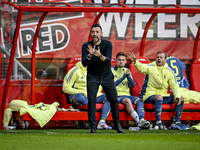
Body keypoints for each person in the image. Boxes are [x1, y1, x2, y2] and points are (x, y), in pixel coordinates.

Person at [82, 24, 124, 133]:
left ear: (101, 34)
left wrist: (99, 55)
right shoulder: (86, 45)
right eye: (93, 32)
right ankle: (92, 126)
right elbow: (84, 64)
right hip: (93, 76)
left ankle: (117, 124)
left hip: (106, 75)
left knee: (114, 99)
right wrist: (90, 55)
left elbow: (108, 60)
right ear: (90, 34)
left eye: (97, 32)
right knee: (91, 100)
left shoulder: (107, 44)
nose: (95, 34)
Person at [128, 51, 184, 129]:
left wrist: (177, 96)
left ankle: (177, 122)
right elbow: (142, 68)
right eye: (157, 57)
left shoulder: (169, 71)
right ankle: (158, 122)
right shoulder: (150, 67)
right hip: (148, 96)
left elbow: (175, 86)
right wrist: (135, 61)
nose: (159, 59)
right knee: (159, 97)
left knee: (181, 98)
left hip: (163, 96)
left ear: (165, 60)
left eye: (161, 57)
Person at [62, 61, 112, 130]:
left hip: (94, 96)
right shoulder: (75, 70)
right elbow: (65, 88)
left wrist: (93, 93)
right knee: (81, 98)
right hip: (80, 95)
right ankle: (88, 120)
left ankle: (102, 122)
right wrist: (82, 91)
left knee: (111, 97)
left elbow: (100, 86)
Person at [112, 52, 150, 129]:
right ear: (116, 60)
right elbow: (112, 85)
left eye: (123, 60)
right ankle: (139, 121)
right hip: (117, 95)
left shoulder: (127, 70)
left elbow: (132, 85)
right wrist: (123, 77)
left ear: (126, 61)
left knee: (140, 100)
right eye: (119, 60)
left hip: (127, 95)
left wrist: (128, 76)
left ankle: (142, 119)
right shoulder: (111, 70)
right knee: (127, 100)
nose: (121, 62)